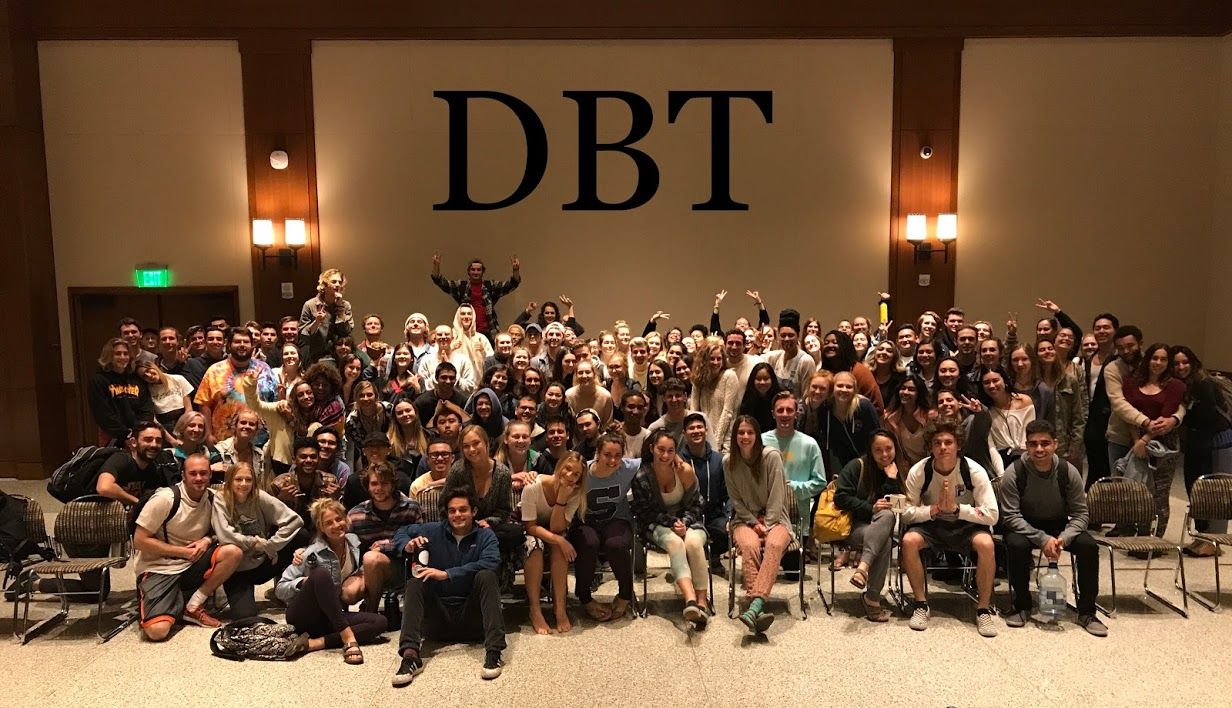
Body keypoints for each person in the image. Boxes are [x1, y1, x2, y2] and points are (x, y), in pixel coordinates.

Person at [999, 420, 1106, 636]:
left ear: (1055, 444)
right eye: (1033, 444)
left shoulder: (1068, 471)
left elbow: (1081, 514)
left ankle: (1087, 611)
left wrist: (1064, 538)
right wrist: (1042, 539)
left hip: (1059, 526)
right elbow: (1010, 516)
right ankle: (1022, 606)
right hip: (1024, 525)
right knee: (1016, 545)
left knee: (1088, 546)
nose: (1039, 449)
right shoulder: (1014, 472)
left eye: (1045, 443)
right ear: (1026, 446)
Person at [391, 489, 507, 685]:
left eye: (463, 510)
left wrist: (447, 574)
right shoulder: (431, 531)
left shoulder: (485, 535)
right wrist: (407, 544)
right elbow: (401, 531)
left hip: (472, 618)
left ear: (474, 511)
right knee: (415, 582)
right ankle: (410, 656)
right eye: (452, 511)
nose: (457, 515)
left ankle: (494, 653)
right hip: (438, 618)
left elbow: (491, 562)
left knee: (487, 576)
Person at [900, 420, 1000, 637]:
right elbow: (906, 512)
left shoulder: (973, 471)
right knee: (909, 541)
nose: (943, 447)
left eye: (948, 442)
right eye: (937, 443)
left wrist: (958, 509)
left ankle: (983, 609)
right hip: (932, 524)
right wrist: (933, 510)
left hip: (966, 525)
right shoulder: (920, 471)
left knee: (986, 544)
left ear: (958, 446)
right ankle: (920, 605)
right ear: (930, 447)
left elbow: (992, 514)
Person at [133, 454, 244, 639]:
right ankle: (171, 601)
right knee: (157, 632)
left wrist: (207, 540)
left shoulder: (214, 498)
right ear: (183, 475)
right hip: (160, 567)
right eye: (193, 473)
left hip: (192, 563)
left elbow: (225, 531)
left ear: (210, 475)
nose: (199, 478)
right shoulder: (165, 499)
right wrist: (182, 552)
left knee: (233, 552)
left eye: (203, 473)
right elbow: (139, 540)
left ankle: (193, 605)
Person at [276, 498, 388, 663]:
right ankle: (348, 637)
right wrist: (301, 582)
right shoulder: (308, 554)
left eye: (338, 519)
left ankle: (314, 643)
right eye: (329, 523)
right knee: (321, 574)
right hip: (303, 616)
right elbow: (280, 589)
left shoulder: (354, 543)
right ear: (321, 528)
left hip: (332, 616)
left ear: (346, 519)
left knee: (379, 622)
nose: (336, 525)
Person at [632, 430, 711, 628]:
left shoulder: (684, 470)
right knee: (675, 543)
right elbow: (644, 511)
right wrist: (671, 523)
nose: (665, 455)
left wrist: (684, 522)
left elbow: (698, 503)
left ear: (676, 451)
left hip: (689, 522)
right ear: (652, 449)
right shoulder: (642, 475)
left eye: (670, 450)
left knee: (693, 543)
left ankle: (702, 602)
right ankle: (690, 600)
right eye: (661, 449)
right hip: (657, 524)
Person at [724, 415, 792, 634]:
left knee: (774, 545)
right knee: (749, 545)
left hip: (776, 519)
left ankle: (754, 605)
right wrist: (754, 523)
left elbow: (778, 494)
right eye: (740, 432)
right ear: (734, 436)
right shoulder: (728, 462)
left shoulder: (771, 456)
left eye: (750, 432)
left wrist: (768, 524)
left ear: (757, 435)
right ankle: (757, 609)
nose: (745, 436)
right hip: (745, 520)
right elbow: (735, 500)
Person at [211, 462, 304, 618]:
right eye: (238, 479)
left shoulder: (259, 496)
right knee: (245, 615)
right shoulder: (221, 498)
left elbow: (295, 521)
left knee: (301, 536)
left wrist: (271, 545)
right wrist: (254, 542)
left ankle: (284, 587)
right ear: (229, 481)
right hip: (237, 569)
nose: (243, 484)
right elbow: (225, 535)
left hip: (264, 561)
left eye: (248, 479)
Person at [834, 430, 903, 622]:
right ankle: (872, 597)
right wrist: (870, 508)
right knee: (884, 537)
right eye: (878, 450)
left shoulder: (897, 470)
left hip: (880, 529)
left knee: (886, 526)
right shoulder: (857, 466)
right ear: (870, 451)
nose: (884, 454)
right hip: (852, 526)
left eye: (888, 448)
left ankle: (863, 570)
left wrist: (891, 480)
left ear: (895, 448)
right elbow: (840, 497)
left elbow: (895, 504)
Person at [1120, 341, 1186, 541]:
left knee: (1159, 492)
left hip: (1164, 444)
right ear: (1147, 359)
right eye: (1154, 358)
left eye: (1163, 359)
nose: (1158, 363)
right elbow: (1130, 415)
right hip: (1136, 440)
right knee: (1138, 489)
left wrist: (1145, 440)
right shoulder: (1131, 383)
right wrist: (1136, 441)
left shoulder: (1175, 386)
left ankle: (1154, 539)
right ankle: (1139, 535)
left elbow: (1165, 418)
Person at [1171, 345, 1232, 554]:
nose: (1181, 367)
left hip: (1218, 443)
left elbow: (1207, 417)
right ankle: (1202, 535)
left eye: (1185, 362)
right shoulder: (1184, 385)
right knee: (1196, 488)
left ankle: (1215, 541)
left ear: (1193, 362)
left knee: (1216, 491)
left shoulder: (1204, 383)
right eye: (1176, 363)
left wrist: (1183, 417)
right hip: (1198, 443)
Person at [571, 433, 638, 621]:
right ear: (597, 453)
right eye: (607, 455)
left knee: (615, 544)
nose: (613, 460)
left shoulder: (628, 468)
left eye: (618, 455)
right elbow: (558, 477)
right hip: (585, 521)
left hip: (616, 519)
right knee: (589, 543)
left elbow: (654, 457)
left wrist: (677, 459)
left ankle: (625, 594)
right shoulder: (582, 472)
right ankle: (585, 597)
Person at [521, 452, 587, 633]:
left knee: (559, 548)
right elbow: (530, 527)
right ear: (559, 467)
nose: (569, 476)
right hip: (530, 529)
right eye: (567, 469)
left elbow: (557, 527)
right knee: (535, 546)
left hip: (553, 529)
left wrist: (562, 498)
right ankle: (535, 610)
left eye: (576, 474)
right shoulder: (533, 486)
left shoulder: (575, 494)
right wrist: (559, 539)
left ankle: (560, 608)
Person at [346, 463, 423, 611]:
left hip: (402, 567)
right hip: (367, 568)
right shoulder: (356, 514)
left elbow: (420, 541)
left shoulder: (411, 508)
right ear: (368, 486)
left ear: (393, 485)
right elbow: (342, 542)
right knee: (349, 593)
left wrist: (385, 546)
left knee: (372, 558)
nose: (379, 488)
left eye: (384, 483)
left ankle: (371, 611)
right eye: (374, 483)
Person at [443, 425, 523, 556]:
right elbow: (443, 503)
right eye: (466, 446)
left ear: (486, 444)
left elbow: (504, 510)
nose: (472, 449)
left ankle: (476, 545)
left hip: (489, 528)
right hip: (461, 524)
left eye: (476, 443)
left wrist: (488, 521)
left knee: (516, 533)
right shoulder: (458, 470)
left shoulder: (502, 473)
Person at [680, 412, 729, 574]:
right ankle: (689, 560)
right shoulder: (678, 461)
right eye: (691, 428)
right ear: (684, 433)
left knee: (728, 530)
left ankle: (714, 556)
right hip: (688, 516)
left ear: (706, 430)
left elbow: (728, 494)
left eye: (699, 427)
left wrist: (730, 517)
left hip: (714, 516)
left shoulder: (719, 460)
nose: (696, 431)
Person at [431, 253, 521, 337]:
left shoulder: (490, 286)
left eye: (478, 270)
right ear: (468, 271)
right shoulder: (461, 286)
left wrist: (516, 270)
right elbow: (441, 282)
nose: (476, 272)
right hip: (466, 332)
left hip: (488, 331)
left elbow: (511, 285)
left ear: (483, 271)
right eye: (473, 270)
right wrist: (436, 266)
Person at [270, 437, 342, 536]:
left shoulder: (329, 481)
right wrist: (281, 500)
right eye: (303, 457)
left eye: (313, 457)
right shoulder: (279, 484)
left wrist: (335, 499)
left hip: (320, 531)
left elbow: (338, 515)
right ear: (294, 459)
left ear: (319, 459)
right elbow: (269, 519)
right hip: (290, 534)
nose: (308, 460)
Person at [88, 338, 153, 446]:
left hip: (139, 435)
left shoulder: (136, 379)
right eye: (118, 354)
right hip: (112, 436)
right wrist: (125, 435)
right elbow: (103, 414)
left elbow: (146, 408)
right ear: (109, 356)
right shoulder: (99, 380)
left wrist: (141, 431)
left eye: (125, 354)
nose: (122, 357)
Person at [980, 366, 1036, 470]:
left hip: (1028, 455)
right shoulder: (986, 411)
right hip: (1003, 460)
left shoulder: (1024, 401)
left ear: (1004, 380)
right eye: (986, 382)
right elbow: (992, 448)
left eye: (995, 380)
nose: (991, 385)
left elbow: (1031, 433)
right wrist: (1001, 474)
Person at [689, 341, 740, 452]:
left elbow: (728, 413)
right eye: (712, 359)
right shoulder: (699, 379)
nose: (716, 362)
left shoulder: (729, 376)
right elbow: (694, 411)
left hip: (725, 439)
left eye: (719, 359)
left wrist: (716, 443)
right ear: (704, 360)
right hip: (702, 437)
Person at [825, 371, 881, 467]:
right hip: (843, 465)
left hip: (869, 463)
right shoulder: (827, 410)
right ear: (832, 388)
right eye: (840, 386)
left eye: (849, 387)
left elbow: (877, 436)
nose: (844, 390)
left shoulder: (863, 407)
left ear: (854, 390)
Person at [820, 329, 885, 413]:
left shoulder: (859, 371)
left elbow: (877, 406)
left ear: (844, 346)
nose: (830, 345)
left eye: (835, 342)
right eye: (826, 343)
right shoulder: (824, 372)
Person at [299, 268, 354, 364]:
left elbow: (346, 332)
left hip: (339, 355)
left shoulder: (345, 305)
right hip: (316, 356)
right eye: (334, 281)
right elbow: (303, 335)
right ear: (324, 285)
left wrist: (340, 313)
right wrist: (317, 321)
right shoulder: (310, 305)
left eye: (340, 282)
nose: (338, 285)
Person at [765, 309, 817, 396]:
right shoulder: (774, 357)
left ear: (798, 336)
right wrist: (756, 346)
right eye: (783, 335)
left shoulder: (806, 361)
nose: (786, 339)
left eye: (790, 335)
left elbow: (807, 396)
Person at [882, 374, 932, 466]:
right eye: (903, 388)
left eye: (911, 389)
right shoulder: (890, 419)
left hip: (929, 465)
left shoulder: (929, 417)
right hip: (903, 467)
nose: (905, 392)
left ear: (919, 393)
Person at [214, 408, 267, 488]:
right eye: (243, 423)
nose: (247, 426)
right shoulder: (220, 450)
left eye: (251, 424)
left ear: (256, 430)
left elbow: (259, 485)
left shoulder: (259, 454)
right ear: (235, 426)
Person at [345, 381, 392, 470]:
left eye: (369, 394)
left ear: (376, 396)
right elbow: (362, 447)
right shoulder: (352, 421)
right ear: (356, 398)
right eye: (361, 395)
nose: (366, 398)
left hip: (393, 451)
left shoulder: (389, 409)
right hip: (369, 457)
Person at [137, 359, 193, 430]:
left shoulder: (178, 379)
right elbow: (154, 419)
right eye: (144, 376)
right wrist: (167, 435)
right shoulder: (147, 391)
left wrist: (181, 427)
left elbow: (189, 409)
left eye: (148, 370)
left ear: (153, 366)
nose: (149, 375)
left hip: (184, 422)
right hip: (163, 427)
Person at [738, 362, 782, 435]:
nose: (762, 382)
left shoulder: (780, 398)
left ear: (772, 379)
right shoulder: (748, 398)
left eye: (766, 379)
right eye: (758, 379)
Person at [566, 359, 614, 424]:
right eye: (580, 373)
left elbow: (608, 424)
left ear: (594, 374)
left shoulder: (605, 396)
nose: (584, 376)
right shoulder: (569, 395)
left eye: (588, 372)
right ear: (576, 376)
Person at [389, 397, 429, 474]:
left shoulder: (428, 436)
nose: (405, 414)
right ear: (395, 417)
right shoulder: (389, 440)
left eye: (408, 410)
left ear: (415, 412)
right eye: (400, 413)